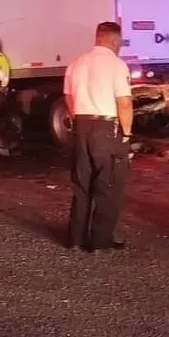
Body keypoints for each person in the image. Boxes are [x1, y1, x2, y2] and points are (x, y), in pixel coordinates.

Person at [64, 21, 133, 252]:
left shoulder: (76, 63)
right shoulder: (116, 65)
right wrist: (126, 134)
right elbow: (124, 103)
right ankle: (100, 240)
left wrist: (78, 118)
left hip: (81, 126)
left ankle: (76, 238)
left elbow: (69, 97)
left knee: (82, 185)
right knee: (108, 184)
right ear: (115, 40)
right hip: (106, 129)